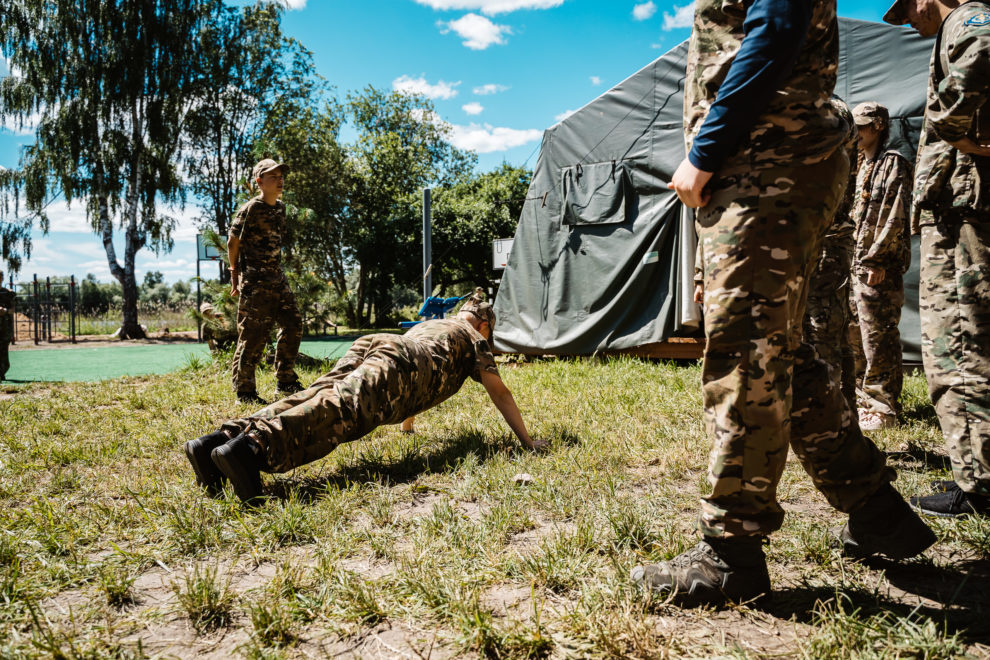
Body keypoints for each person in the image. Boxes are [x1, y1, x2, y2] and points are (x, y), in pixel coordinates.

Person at [632, 0, 934, 606]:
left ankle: (731, 551)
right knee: (779, 355)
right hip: (771, 160)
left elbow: (777, 27)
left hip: (764, 158)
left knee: (749, 354)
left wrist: (704, 152)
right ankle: (877, 510)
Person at [184, 290, 544, 501]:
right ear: (484, 324)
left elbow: (420, 378)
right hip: (404, 360)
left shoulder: (435, 324)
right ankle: (250, 450)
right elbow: (501, 394)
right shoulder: (474, 338)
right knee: (342, 408)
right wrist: (527, 442)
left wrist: (407, 425)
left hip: (381, 343)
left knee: (319, 390)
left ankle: (220, 439)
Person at [883, 0, 990, 517]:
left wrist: (953, 128)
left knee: (959, 344)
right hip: (961, 206)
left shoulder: (967, 20)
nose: (911, 23)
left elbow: (982, 48)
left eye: (909, 12)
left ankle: (980, 484)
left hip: (961, 209)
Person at [847, 102, 913, 431]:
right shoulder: (859, 163)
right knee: (855, 334)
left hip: (876, 265)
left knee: (878, 335)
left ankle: (883, 406)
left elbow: (896, 214)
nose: (855, 133)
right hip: (853, 263)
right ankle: (861, 399)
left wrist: (879, 257)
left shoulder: (894, 163)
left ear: (877, 126)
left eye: (861, 127)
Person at [228, 158, 303, 405]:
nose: (280, 180)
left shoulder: (280, 208)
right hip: (255, 280)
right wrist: (235, 276)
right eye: (273, 176)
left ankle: (285, 380)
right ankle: (245, 392)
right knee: (253, 336)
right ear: (259, 181)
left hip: (276, 277)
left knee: (293, 323)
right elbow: (232, 243)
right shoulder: (250, 208)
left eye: (281, 176)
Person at [804, 97, 860, 413]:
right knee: (828, 334)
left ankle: (833, 418)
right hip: (815, 241)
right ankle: (842, 415)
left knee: (823, 332)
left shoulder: (833, 109)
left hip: (828, 240)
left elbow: (832, 136)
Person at [0, 272, 13, 382]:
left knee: (4, 351)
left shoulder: (8, 294)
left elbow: (13, 310)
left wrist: (5, 311)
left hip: (4, 327)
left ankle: (2, 372)